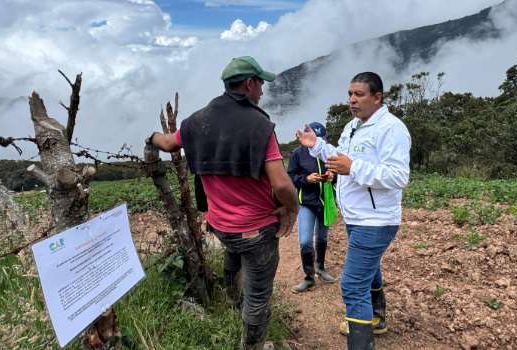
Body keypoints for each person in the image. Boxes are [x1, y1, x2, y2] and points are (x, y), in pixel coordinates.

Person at [147, 56, 299, 350]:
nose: (263, 91)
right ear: (249, 84)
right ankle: (252, 345)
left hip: (219, 225)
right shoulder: (260, 126)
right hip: (255, 230)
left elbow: (167, 144)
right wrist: (291, 209)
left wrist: (149, 138)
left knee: (233, 256)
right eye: (261, 84)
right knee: (258, 296)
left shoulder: (195, 121)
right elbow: (281, 184)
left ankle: (231, 300)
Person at [296, 72, 411, 350]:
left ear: (377, 97)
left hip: (377, 220)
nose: (352, 100)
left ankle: (361, 339)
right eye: (350, 94)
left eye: (359, 94)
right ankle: (377, 318)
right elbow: (341, 159)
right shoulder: (352, 126)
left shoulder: (392, 129)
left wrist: (354, 168)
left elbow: (399, 176)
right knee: (369, 271)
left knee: (352, 284)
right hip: (358, 217)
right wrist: (319, 147)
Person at [286, 121, 337, 293]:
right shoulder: (297, 154)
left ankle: (320, 268)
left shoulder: (329, 152)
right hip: (306, 202)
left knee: (322, 237)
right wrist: (306, 179)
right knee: (305, 240)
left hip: (325, 201)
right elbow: (291, 176)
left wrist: (332, 176)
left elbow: (341, 174)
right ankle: (308, 277)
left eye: (321, 139)